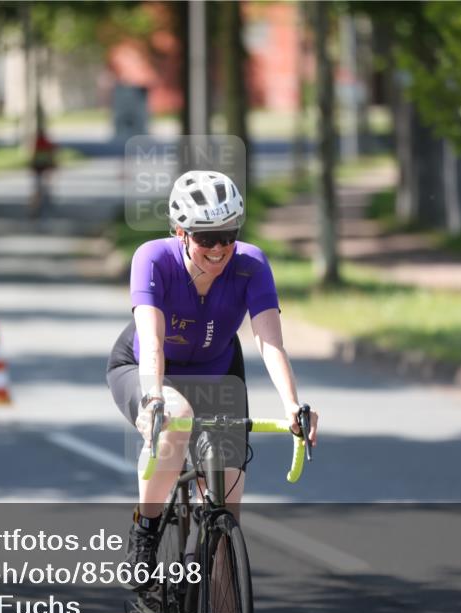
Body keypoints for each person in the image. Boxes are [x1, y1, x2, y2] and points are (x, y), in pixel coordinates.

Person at [106, 170, 318, 589]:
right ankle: (145, 532)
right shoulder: (153, 258)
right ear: (180, 232)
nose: (219, 248)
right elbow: (151, 340)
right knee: (176, 417)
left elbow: (270, 342)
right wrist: (153, 400)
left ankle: (212, 610)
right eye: (206, 238)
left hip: (218, 372)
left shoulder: (251, 264)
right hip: (146, 368)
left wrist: (293, 406)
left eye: (228, 234)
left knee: (225, 503)